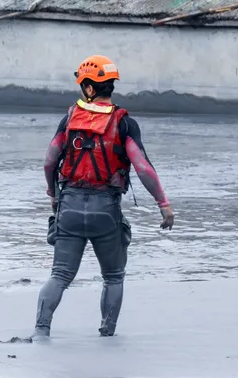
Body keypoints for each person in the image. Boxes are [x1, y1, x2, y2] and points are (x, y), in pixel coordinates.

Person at [34, 55, 175, 339]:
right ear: (109, 86)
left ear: (88, 87)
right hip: (106, 212)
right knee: (113, 277)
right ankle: (107, 334)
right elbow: (143, 168)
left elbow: (49, 162)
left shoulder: (69, 120)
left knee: (60, 275)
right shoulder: (124, 124)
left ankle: (41, 331)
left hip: (69, 208)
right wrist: (164, 205)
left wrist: (52, 195)